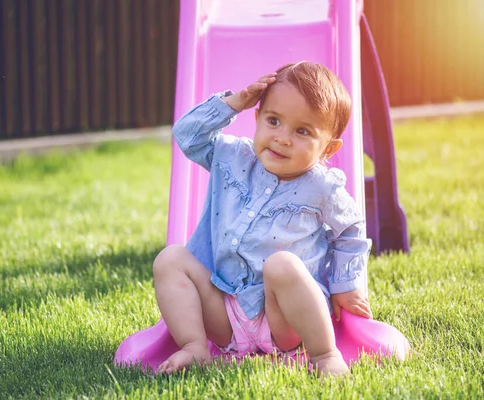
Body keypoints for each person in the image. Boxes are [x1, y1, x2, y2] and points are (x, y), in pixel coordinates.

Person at [153, 61, 372, 377]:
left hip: (287, 320)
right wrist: (234, 103)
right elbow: (186, 134)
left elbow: (351, 231)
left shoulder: (322, 186)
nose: (282, 138)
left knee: (280, 265)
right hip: (227, 311)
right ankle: (194, 347)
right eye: (273, 121)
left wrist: (345, 284)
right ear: (256, 118)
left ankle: (324, 355)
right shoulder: (233, 156)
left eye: (302, 131)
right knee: (170, 259)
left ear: (329, 148)